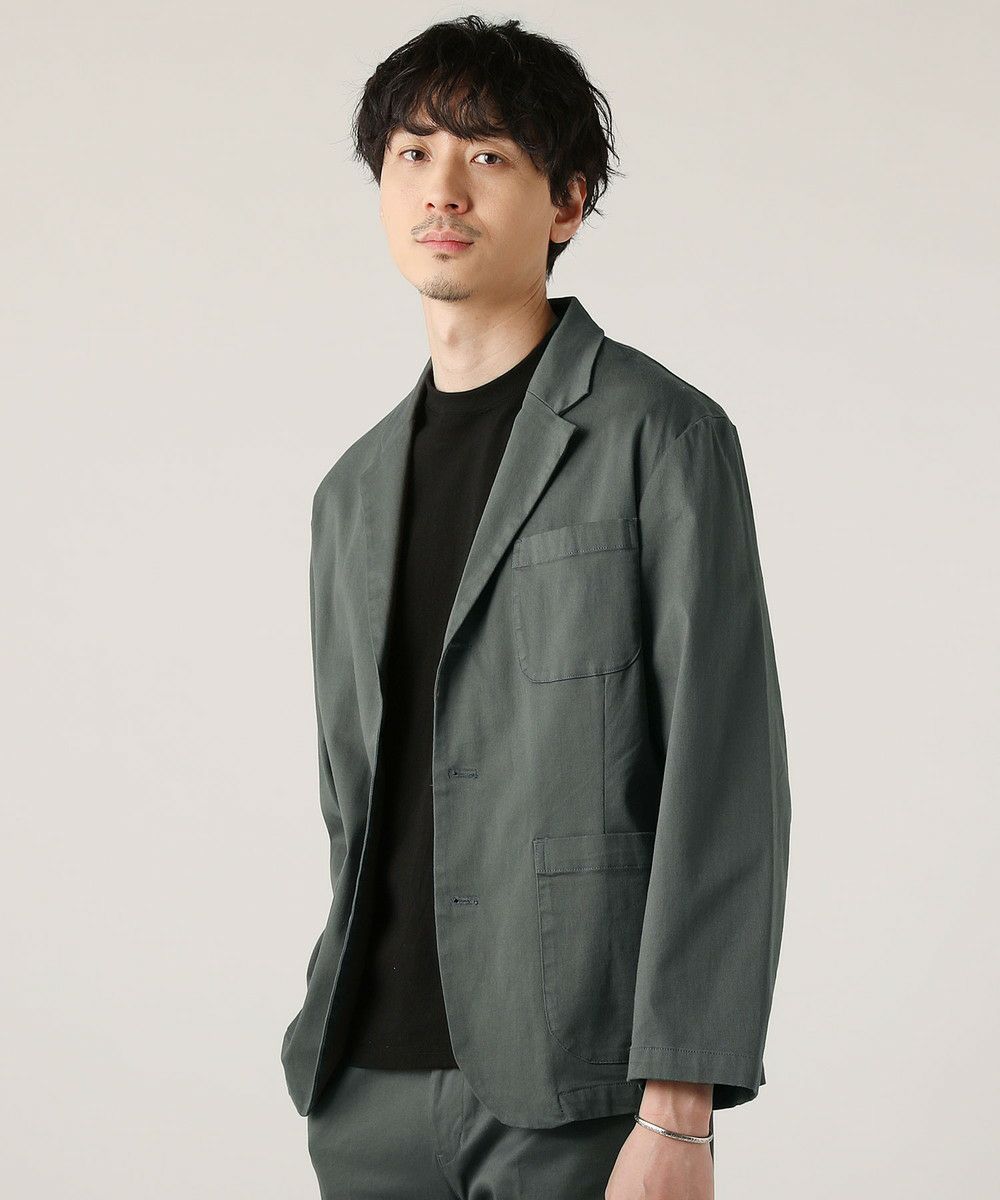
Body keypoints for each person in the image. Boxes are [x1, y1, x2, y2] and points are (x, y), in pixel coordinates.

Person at [280, 14, 792, 1199]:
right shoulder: (350, 492)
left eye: (486, 154)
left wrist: (680, 1112)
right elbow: (354, 801)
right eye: (411, 154)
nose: (441, 188)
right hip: (361, 1090)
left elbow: (722, 780)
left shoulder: (658, 436)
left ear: (566, 201)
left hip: (577, 1090)